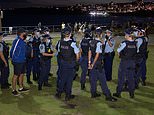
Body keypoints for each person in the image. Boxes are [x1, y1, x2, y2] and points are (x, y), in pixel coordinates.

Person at [88, 28, 117, 101]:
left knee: (93, 79)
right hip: (97, 63)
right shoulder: (99, 43)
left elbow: (89, 52)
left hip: (92, 61)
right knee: (103, 80)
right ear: (101, 34)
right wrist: (93, 64)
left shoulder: (91, 41)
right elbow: (97, 54)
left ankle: (93, 93)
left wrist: (89, 62)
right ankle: (108, 96)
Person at [55, 27, 80, 101]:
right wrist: (76, 62)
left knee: (62, 79)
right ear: (70, 34)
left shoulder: (60, 42)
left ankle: (59, 93)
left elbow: (59, 52)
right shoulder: (72, 43)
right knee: (69, 80)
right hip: (70, 64)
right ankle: (67, 95)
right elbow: (77, 55)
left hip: (63, 63)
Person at [113, 29, 137, 98]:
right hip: (132, 62)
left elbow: (118, 51)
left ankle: (118, 93)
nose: (125, 35)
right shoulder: (135, 43)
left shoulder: (124, 43)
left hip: (125, 62)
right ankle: (131, 94)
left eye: (125, 34)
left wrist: (121, 55)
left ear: (128, 35)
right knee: (131, 78)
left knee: (121, 78)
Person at [10, 28, 29, 96]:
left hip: (23, 60)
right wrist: (13, 59)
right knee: (16, 75)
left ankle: (21, 88)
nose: (26, 34)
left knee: (22, 74)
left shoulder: (22, 41)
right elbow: (12, 51)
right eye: (24, 33)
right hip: (17, 61)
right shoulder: (17, 40)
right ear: (21, 34)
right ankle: (13, 90)